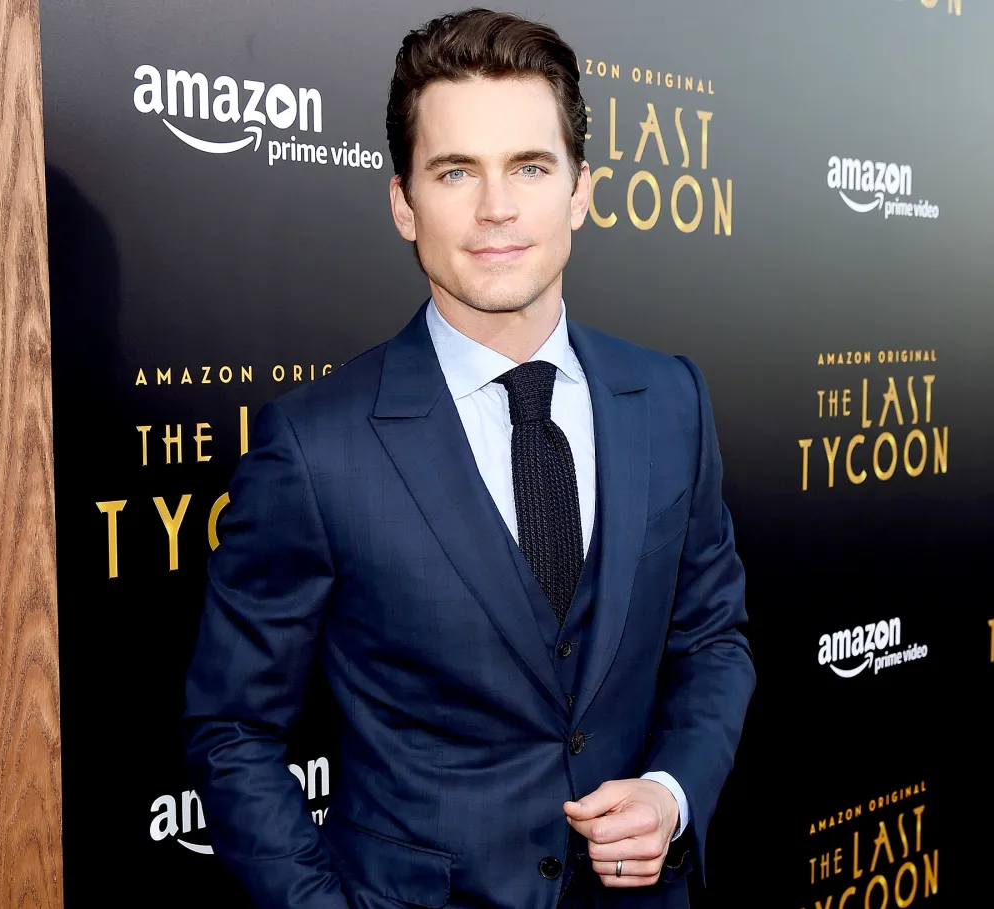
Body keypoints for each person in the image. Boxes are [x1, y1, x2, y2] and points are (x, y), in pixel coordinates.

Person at [182, 9, 755, 909]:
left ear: (581, 191)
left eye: (529, 166)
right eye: (456, 171)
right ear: (404, 202)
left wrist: (672, 792)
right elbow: (233, 729)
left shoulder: (672, 399)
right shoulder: (313, 444)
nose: (497, 207)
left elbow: (713, 640)